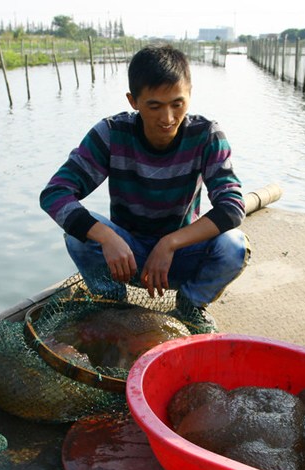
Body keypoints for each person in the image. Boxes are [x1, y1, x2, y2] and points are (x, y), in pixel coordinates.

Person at [39, 44, 249, 322]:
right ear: (133, 101)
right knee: (78, 237)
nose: (168, 118)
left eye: (178, 104)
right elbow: (55, 193)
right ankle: (111, 305)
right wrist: (106, 236)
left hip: (180, 254)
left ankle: (190, 308)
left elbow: (233, 207)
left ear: (190, 94)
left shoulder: (207, 135)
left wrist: (169, 243)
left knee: (233, 245)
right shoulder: (112, 133)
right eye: (155, 106)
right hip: (126, 257)